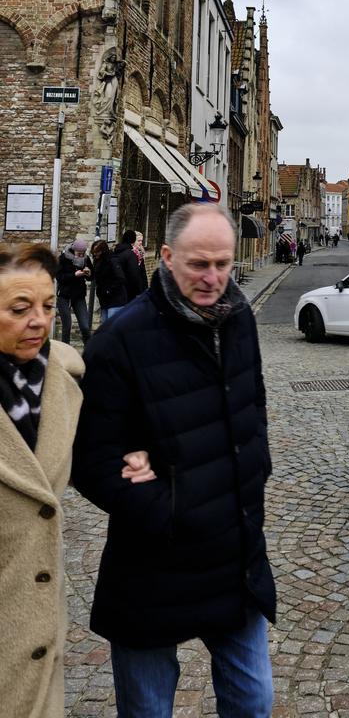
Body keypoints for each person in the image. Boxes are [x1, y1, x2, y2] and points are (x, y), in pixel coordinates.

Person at [71, 204, 275, 718]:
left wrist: (256, 470)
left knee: (253, 702)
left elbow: (253, 402)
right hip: (152, 565)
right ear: (165, 257)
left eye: (223, 264)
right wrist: (166, 507)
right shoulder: (120, 341)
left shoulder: (239, 317)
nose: (213, 278)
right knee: (147, 710)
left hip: (235, 554)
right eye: (198, 265)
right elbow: (95, 457)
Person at [0, 242, 85, 717]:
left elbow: (92, 461)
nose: (39, 320)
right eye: (20, 308)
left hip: (38, 631)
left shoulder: (62, 384)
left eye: (49, 306)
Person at [56, 235, 93, 345]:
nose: (81, 255)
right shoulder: (63, 258)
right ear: (74, 250)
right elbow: (59, 277)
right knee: (67, 326)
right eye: (79, 253)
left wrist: (88, 273)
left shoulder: (86, 259)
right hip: (64, 296)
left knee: (85, 326)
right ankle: (65, 351)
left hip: (79, 296)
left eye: (83, 253)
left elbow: (91, 276)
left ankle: (89, 351)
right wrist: (74, 275)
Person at [90, 240, 128, 323]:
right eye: (94, 252)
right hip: (104, 300)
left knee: (111, 325)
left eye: (97, 252)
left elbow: (121, 278)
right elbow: (97, 277)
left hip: (116, 299)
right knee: (104, 324)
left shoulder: (112, 260)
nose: (95, 254)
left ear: (103, 251)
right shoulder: (97, 261)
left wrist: (109, 290)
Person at [113, 230, 146, 303]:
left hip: (138, 289)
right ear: (133, 241)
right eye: (138, 240)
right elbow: (133, 275)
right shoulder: (130, 254)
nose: (140, 243)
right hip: (130, 291)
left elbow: (143, 274)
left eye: (142, 241)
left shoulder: (140, 253)